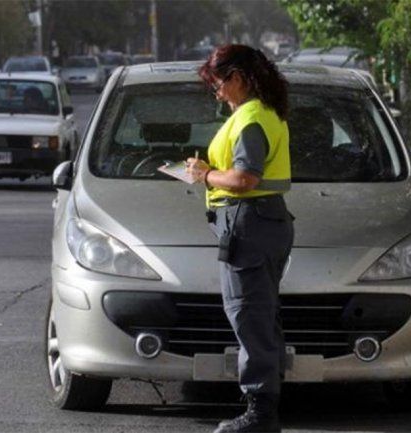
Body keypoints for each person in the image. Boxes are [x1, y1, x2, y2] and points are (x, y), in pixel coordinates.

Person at [186, 44, 293, 433]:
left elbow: (246, 178)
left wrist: (205, 174)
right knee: (261, 315)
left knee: (249, 315)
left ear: (238, 78)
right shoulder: (261, 112)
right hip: (264, 221)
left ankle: (260, 413)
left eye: (218, 84)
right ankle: (267, 405)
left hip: (250, 223)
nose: (216, 92)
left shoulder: (250, 119)